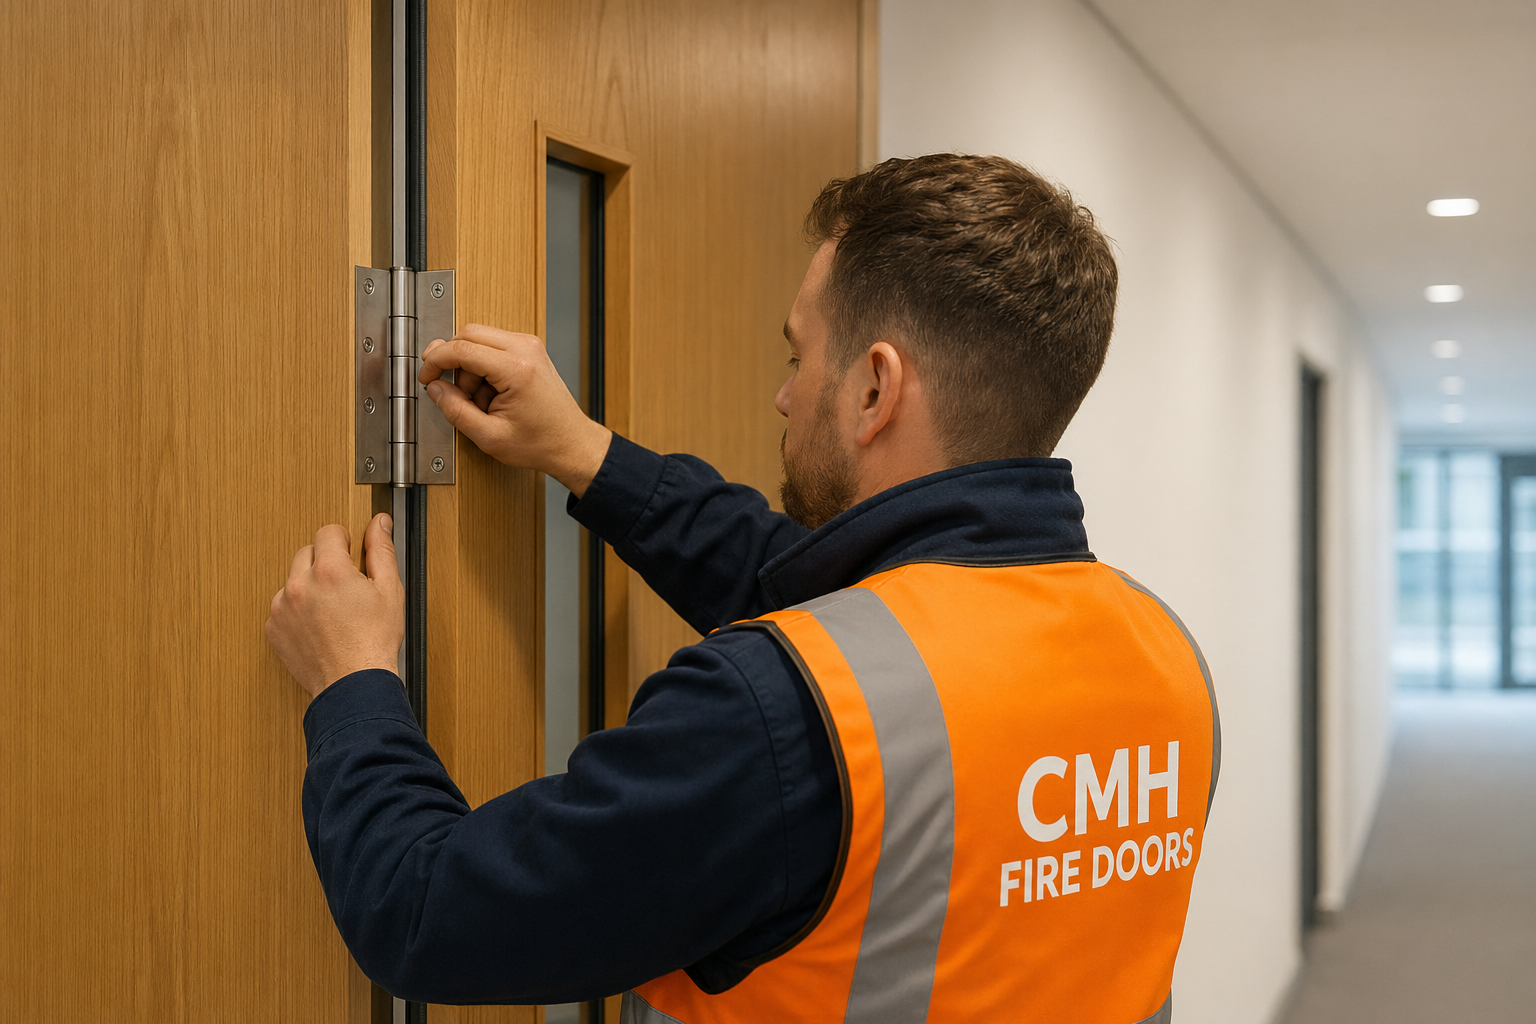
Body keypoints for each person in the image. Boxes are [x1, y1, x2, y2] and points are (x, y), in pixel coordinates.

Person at [266, 153, 1219, 1023]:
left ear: (876, 389)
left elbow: (430, 914)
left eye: (798, 355)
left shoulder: (776, 718)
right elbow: (846, 615)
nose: (784, 393)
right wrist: (587, 455)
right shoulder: (1164, 657)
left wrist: (352, 686)